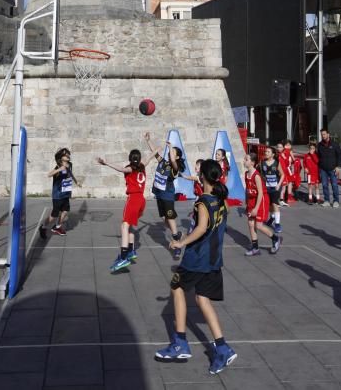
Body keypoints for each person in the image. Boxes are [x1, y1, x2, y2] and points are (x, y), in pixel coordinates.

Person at [155, 160, 237, 375]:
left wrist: (181, 242)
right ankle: (222, 347)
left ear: (203, 177)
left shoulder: (202, 202)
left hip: (197, 259)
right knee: (202, 298)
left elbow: (201, 228)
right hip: (213, 259)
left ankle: (180, 343)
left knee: (177, 287)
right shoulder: (221, 200)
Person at [98, 145, 153, 273]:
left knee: (124, 226)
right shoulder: (143, 165)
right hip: (141, 200)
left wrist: (106, 162)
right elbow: (150, 156)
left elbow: (120, 169)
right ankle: (131, 250)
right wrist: (152, 145)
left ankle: (123, 257)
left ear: (130, 159)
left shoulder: (130, 169)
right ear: (139, 159)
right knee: (131, 226)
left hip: (133, 199)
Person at [145, 132, 186, 260]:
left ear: (177, 157)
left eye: (173, 152)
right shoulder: (164, 162)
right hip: (159, 194)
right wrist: (148, 140)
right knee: (165, 219)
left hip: (167, 195)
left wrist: (170, 146)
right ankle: (178, 233)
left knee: (170, 219)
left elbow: (173, 159)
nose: (170, 153)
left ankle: (177, 244)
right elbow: (155, 153)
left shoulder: (175, 168)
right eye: (170, 151)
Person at [244, 153, 282, 256]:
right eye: (244, 159)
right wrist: (247, 204)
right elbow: (248, 190)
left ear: (252, 162)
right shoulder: (246, 174)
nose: (244, 161)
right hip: (252, 201)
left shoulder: (256, 176)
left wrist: (256, 208)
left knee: (259, 225)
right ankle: (255, 248)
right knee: (251, 224)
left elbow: (260, 192)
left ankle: (276, 239)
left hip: (261, 201)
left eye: (246, 159)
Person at [39, 148, 81, 238]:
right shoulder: (58, 166)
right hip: (57, 194)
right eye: (66, 155)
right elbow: (49, 175)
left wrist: (76, 182)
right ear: (61, 157)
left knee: (65, 211)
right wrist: (59, 169)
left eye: (68, 154)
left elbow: (70, 173)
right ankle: (43, 227)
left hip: (65, 193)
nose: (68, 156)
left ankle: (57, 227)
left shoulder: (69, 164)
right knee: (54, 215)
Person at [260, 147, 284, 233]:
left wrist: (279, 184)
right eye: (265, 151)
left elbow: (282, 175)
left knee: (275, 204)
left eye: (268, 152)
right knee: (269, 206)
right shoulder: (262, 163)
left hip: (275, 187)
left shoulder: (276, 163)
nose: (266, 153)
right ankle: (273, 217)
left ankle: (277, 224)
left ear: (273, 154)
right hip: (267, 187)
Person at [317, 129, 341, 208]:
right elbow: (318, 156)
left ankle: (336, 201)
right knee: (324, 185)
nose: (323, 136)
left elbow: (340, 156)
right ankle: (327, 200)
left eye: (324, 134)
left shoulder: (335, 144)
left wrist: (338, 166)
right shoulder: (320, 145)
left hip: (333, 168)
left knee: (334, 185)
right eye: (322, 134)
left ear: (328, 134)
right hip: (323, 169)